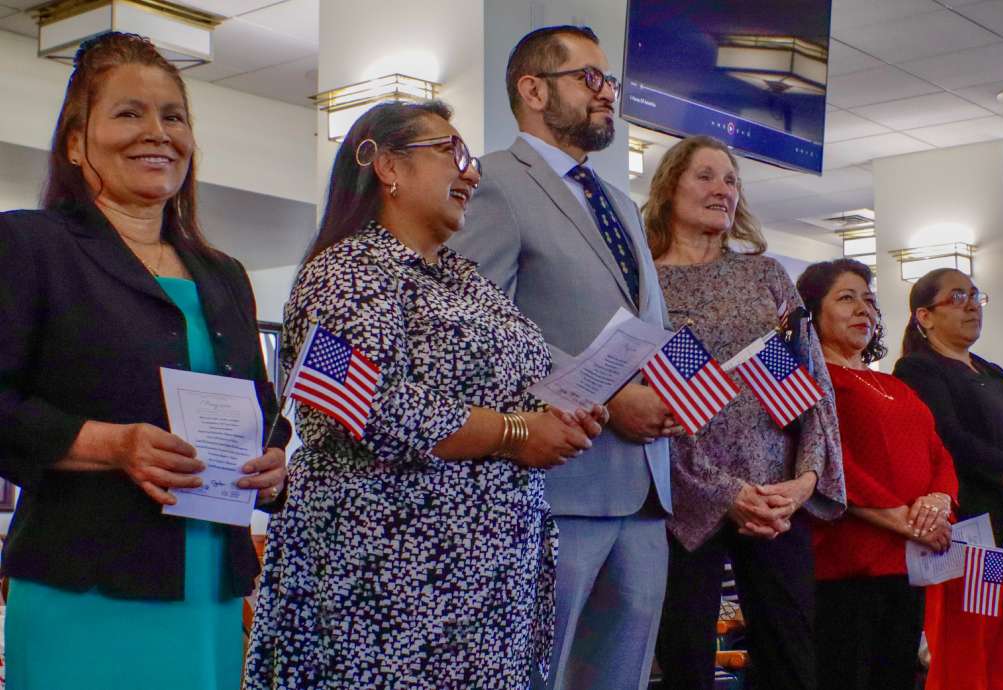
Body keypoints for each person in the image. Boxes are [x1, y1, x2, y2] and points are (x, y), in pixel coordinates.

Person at [242, 101, 605, 689]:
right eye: (452, 153)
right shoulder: (346, 272)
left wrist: (558, 414)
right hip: (386, 584)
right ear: (388, 166)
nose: (472, 173)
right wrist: (516, 434)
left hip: (485, 589)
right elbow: (361, 408)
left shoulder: (464, 278)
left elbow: (510, 382)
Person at [0, 32, 289, 690]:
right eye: (129, 112)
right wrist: (112, 444)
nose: (157, 133)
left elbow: (262, 412)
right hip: (86, 591)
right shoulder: (27, 246)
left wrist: (272, 465)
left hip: (210, 593)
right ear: (76, 142)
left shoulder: (224, 276)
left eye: (174, 116)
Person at [448, 25, 677, 690]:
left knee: (621, 677)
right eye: (590, 78)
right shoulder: (495, 182)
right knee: (537, 675)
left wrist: (674, 394)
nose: (608, 94)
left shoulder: (618, 204)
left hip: (643, 487)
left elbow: (645, 324)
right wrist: (606, 402)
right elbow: (479, 323)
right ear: (533, 89)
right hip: (559, 484)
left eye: (610, 81)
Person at [644, 136, 846, 690]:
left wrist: (805, 480)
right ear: (669, 188)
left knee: (792, 658)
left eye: (731, 180)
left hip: (778, 500)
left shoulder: (766, 277)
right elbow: (649, 404)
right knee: (685, 661)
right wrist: (722, 493)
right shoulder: (646, 285)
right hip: (686, 502)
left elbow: (812, 388)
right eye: (706, 176)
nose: (722, 190)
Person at [892, 268, 1003, 690]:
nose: (972, 304)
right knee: (963, 664)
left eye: (975, 295)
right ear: (925, 316)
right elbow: (955, 443)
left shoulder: (990, 369)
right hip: (972, 539)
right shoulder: (918, 369)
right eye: (957, 297)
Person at [797, 259, 958, 690]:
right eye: (846, 298)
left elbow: (939, 456)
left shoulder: (897, 385)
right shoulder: (812, 381)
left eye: (869, 300)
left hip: (909, 563)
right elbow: (833, 463)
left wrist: (939, 502)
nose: (863, 309)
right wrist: (907, 521)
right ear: (812, 311)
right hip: (847, 565)